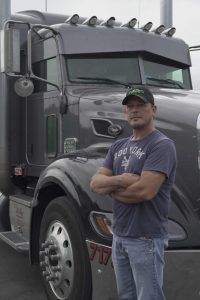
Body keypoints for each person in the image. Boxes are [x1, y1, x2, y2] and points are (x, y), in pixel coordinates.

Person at [90, 86, 177, 300]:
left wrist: (110, 189)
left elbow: (144, 191)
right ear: (125, 112)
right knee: (126, 295)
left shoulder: (162, 145)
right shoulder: (118, 146)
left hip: (145, 238)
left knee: (149, 296)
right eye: (130, 106)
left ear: (153, 109)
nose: (135, 110)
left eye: (141, 105)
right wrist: (121, 180)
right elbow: (95, 183)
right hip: (119, 235)